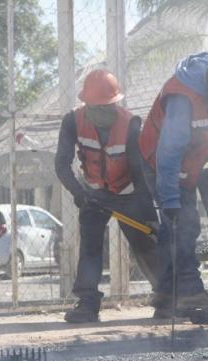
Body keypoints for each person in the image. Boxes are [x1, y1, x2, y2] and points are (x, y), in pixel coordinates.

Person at [139, 51, 208, 319]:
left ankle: (166, 294)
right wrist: (169, 200)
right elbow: (168, 152)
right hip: (164, 165)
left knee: (172, 230)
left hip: (186, 164)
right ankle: (190, 293)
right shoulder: (183, 100)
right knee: (184, 223)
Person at [54, 69, 160, 323]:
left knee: (145, 244)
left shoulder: (131, 124)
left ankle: (166, 295)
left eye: (108, 107)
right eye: (97, 108)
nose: (103, 113)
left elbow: (140, 170)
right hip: (93, 194)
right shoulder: (72, 121)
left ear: (116, 103)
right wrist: (79, 193)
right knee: (90, 245)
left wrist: (149, 213)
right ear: (86, 104)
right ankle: (87, 304)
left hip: (128, 193)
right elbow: (61, 164)